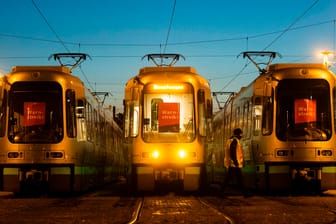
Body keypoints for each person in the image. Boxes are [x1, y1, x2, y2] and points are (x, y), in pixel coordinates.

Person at [222, 128, 250, 197]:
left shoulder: (230, 140)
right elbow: (233, 152)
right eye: (241, 134)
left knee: (239, 179)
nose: (241, 136)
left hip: (233, 163)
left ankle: (245, 193)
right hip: (234, 164)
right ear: (238, 134)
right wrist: (236, 162)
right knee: (229, 179)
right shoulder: (234, 141)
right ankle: (220, 192)